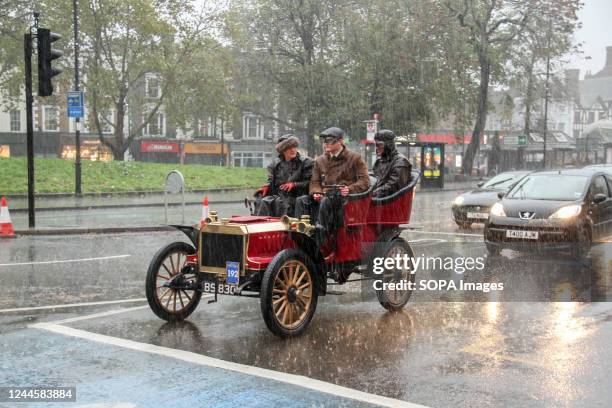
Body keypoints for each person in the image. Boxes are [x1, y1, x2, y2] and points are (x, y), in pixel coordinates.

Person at [295, 127, 370, 245]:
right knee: (301, 201)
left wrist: (349, 189)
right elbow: (314, 182)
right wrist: (316, 192)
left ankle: (321, 237)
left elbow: (365, 181)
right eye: (324, 141)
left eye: (329, 140)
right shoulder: (320, 160)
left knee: (325, 201)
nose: (325, 144)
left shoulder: (354, 158)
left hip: (343, 199)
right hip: (325, 195)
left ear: (340, 141)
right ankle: (300, 234)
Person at [254, 134, 313, 217]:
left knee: (280, 203)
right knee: (261, 200)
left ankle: (282, 227)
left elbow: (310, 183)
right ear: (282, 150)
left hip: (298, 196)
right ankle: (260, 224)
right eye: (289, 148)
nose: (293, 150)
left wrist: (294, 184)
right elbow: (271, 181)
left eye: (294, 146)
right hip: (280, 196)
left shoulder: (306, 162)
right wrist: (266, 186)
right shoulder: (276, 164)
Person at [371, 130, 412, 198]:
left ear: (388, 145)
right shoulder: (379, 161)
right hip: (379, 201)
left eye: (379, 145)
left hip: (390, 203)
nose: (377, 148)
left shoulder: (401, 162)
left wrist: (373, 193)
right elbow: (374, 179)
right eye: (375, 145)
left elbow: (393, 186)